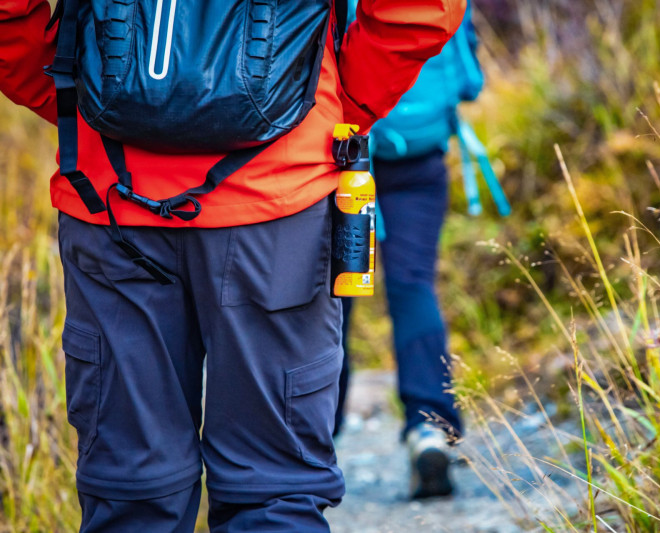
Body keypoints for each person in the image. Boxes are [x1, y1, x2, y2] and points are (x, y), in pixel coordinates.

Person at [0, 0, 465, 530]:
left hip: (111, 199)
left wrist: (85, 102)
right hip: (277, 207)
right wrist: (333, 105)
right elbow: (420, 9)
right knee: (273, 491)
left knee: (129, 490)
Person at [334, 0, 486, 499]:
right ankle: (430, 427)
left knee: (335, 292)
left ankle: (310, 435)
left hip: (344, 155)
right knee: (412, 285)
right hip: (420, 157)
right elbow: (469, 80)